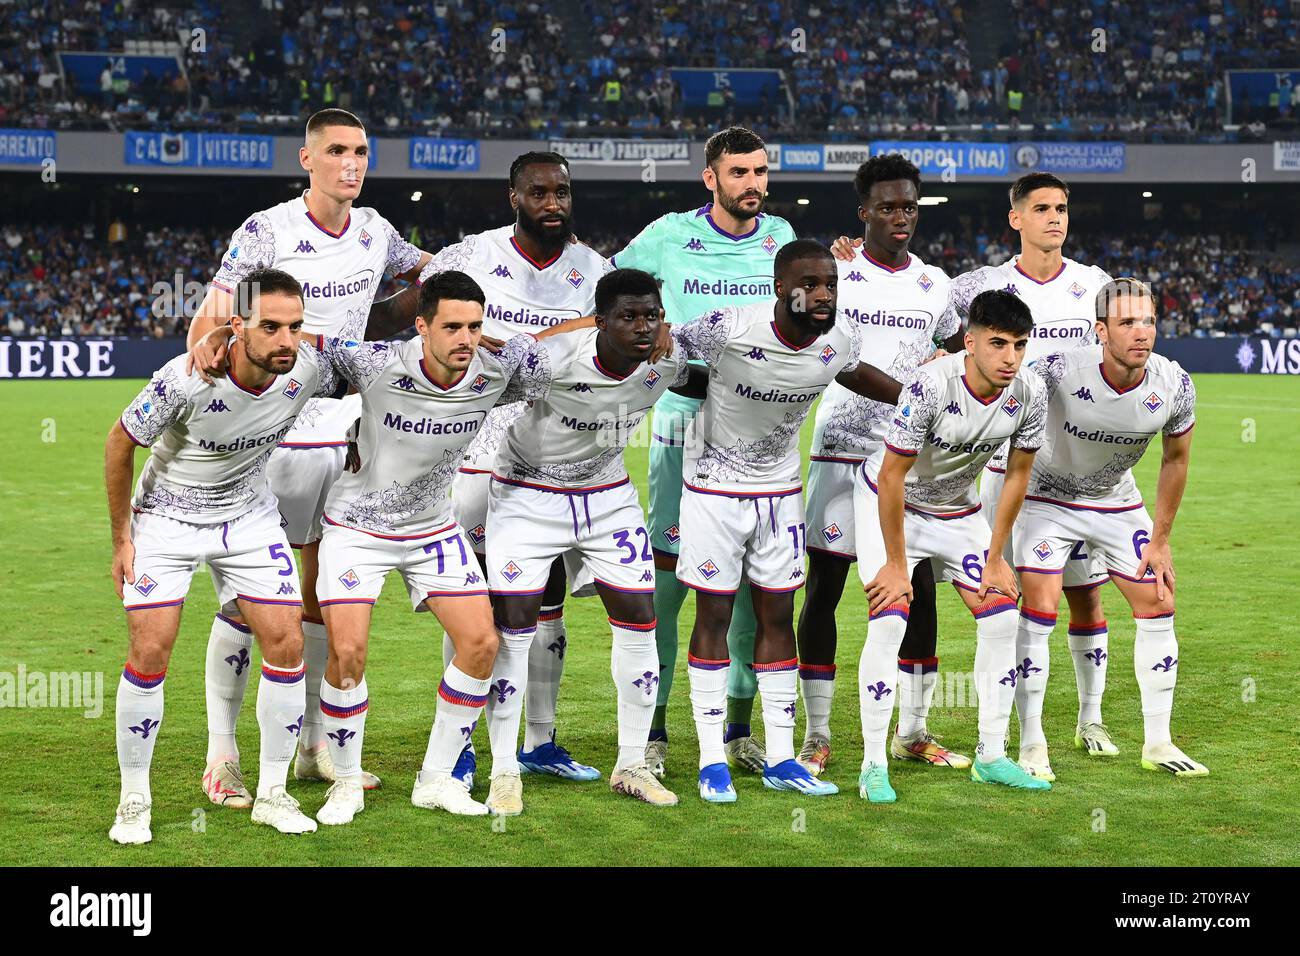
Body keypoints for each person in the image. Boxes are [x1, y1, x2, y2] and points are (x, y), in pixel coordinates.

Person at [186, 108, 431, 806]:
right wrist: (207, 354)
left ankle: (316, 743)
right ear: (307, 159)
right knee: (249, 601)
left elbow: (435, 269)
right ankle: (223, 755)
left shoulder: (378, 230)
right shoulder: (267, 230)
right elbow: (213, 311)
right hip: (268, 437)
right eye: (337, 152)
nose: (351, 164)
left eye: (360, 152)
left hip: (344, 434)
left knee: (328, 595)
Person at [368, 151, 612, 786]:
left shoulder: (594, 270)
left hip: (556, 461)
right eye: (539, 193)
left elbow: (619, 332)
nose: (553, 203)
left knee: (548, 597)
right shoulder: (469, 257)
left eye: (562, 192)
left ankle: (541, 740)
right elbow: (392, 318)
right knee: (472, 601)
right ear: (514, 197)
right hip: (473, 459)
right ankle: (462, 742)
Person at [104, 269, 344, 843]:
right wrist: (122, 538)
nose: (286, 340)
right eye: (270, 327)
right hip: (167, 518)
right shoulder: (185, 378)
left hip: (248, 515)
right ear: (236, 326)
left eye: (295, 326)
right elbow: (119, 444)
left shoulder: (308, 367)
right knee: (151, 649)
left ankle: (273, 792)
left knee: (286, 642)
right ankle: (134, 798)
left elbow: (389, 354)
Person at [669, 239, 902, 803]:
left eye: (831, 284)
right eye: (811, 284)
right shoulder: (729, 326)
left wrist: (925, 406)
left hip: (780, 496)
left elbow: (858, 373)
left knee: (779, 614)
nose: (823, 294)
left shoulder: (835, 341)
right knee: (714, 616)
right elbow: (665, 352)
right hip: (713, 491)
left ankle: (780, 757)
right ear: (779, 287)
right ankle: (709, 761)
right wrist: (702, 387)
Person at [611, 126, 797, 779]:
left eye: (760, 172)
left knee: (753, 583)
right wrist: (648, 336)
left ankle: (742, 730)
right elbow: (611, 291)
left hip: (763, 428)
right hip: (685, 420)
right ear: (710, 178)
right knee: (669, 579)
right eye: (739, 172)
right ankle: (655, 728)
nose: (753, 184)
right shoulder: (667, 234)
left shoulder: (781, 241)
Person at [485, 269, 693, 808]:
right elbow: (472, 381)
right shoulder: (552, 360)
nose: (643, 327)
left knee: (639, 620)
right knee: (513, 630)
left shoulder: (669, 358)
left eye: (651, 315)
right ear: (599, 322)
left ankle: (631, 764)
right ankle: (504, 768)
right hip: (528, 492)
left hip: (607, 495)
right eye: (627, 317)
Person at [940, 172, 1117, 780]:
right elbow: (934, 339)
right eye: (1041, 208)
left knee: (1085, 594)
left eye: (1062, 208)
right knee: (1009, 602)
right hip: (1004, 471)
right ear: (1014, 217)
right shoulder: (982, 286)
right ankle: (1022, 734)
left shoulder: (1094, 285)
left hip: (1076, 474)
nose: (1054, 219)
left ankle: (1090, 718)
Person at [802, 153, 965, 777]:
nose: (901, 217)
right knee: (827, 588)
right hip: (842, 450)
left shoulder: (934, 285)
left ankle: (914, 731)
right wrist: (912, 396)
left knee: (917, 589)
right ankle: (817, 735)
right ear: (863, 211)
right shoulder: (837, 274)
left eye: (909, 207)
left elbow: (956, 353)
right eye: (889, 207)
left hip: (908, 463)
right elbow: (835, 360)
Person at [855, 290, 1051, 804]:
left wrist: (996, 555)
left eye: (1020, 345)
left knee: (1003, 616)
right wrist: (897, 566)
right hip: (888, 500)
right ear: (970, 342)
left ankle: (991, 756)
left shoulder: (1030, 391)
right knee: (890, 614)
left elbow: (1017, 475)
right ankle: (874, 762)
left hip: (958, 512)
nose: (1010, 357)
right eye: (998, 344)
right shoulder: (929, 386)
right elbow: (894, 476)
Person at [1012, 278, 1207, 777]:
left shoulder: (1174, 383)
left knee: (1159, 599)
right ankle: (1032, 744)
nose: (1141, 333)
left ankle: (1158, 744)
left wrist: (1160, 541)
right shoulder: (1056, 371)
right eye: (1127, 323)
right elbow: (1004, 410)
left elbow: (1176, 459)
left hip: (1115, 499)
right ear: (1100, 330)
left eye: (1148, 321)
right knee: (1041, 606)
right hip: (1045, 497)